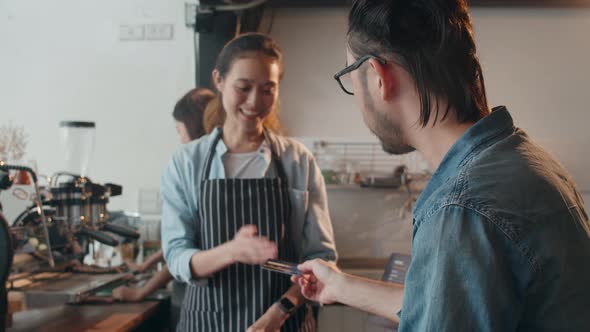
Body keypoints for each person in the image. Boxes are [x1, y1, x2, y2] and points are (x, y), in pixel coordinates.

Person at [292, 1, 590, 331]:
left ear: (378, 77)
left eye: (351, 75)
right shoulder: (525, 161)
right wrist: (340, 285)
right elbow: (452, 305)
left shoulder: (461, 208)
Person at [161, 33, 337, 332]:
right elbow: (177, 257)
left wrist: (278, 314)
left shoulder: (298, 161)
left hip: (283, 323)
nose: (255, 101)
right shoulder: (187, 163)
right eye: (243, 88)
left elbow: (322, 259)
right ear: (219, 80)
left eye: (268, 89)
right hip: (207, 323)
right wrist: (232, 250)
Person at [112, 87, 215, 329]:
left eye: (179, 130)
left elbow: (185, 251)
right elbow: (178, 242)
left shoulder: (196, 167)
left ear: (192, 125)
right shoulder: (196, 164)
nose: (180, 138)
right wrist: (144, 266)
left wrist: (140, 293)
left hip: (195, 299)